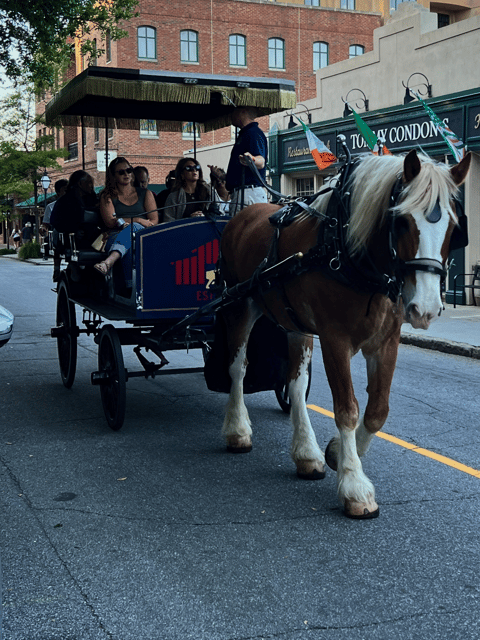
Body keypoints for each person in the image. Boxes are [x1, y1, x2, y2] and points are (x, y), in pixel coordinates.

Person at [94, 156, 158, 282]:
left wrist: (135, 222)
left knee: (135, 229)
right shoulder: (107, 195)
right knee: (133, 232)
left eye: (129, 170)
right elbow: (111, 222)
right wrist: (138, 220)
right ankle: (129, 289)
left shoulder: (145, 193)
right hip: (115, 234)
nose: (126, 174)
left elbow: (154, 221)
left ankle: (109, 262)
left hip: (143, 235)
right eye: (121, 172)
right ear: (113, 176)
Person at [50, 170, 100, 281]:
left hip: (94, 236)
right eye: (88, 182)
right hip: (73, 239)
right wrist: (73, 230)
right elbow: (56, 221)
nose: (91, 186)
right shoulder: (65, 200)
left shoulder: (92, 199)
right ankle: (73, 269)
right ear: (80, 184)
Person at [225, 106, 268, 216]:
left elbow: (260, 161)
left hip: (248, 194)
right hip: (245, 194)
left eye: (233, 111)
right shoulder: (246, 134)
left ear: (243, 111)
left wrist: (252, 159)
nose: (231, 115)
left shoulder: (253, 133)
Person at [163, 158, 219, 222]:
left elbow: (218, 212)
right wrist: (189, 219)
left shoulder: (208, 191)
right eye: (189, 168)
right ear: (182, 175)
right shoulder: (174, 197)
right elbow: (168, 221)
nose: (194, 170)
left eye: (197, 167)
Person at [42, 179, 68, 259]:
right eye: (65, 190)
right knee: (57, 232)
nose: (67, 193)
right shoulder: (51, 206)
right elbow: (45, 224)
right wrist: (42, 229)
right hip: (60, 231)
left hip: (73, 230)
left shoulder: (75, 204)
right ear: (58, 192)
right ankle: (56, 268)